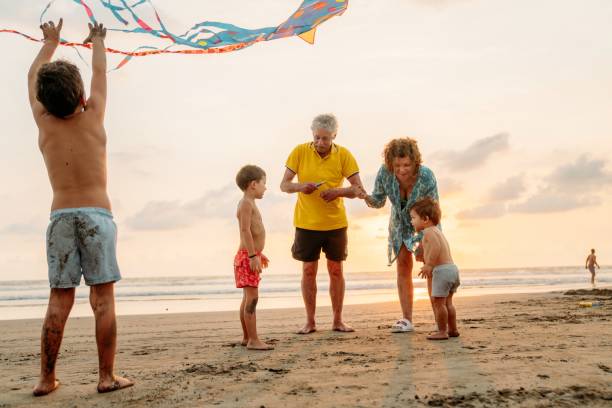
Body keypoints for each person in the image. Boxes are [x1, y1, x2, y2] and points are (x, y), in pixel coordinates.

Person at [28, 20, 133, 395]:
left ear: (44, 101)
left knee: (60, 297)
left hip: (60, 217)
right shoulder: (94, 117)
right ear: (81, 98)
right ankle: (106, 377)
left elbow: (32, 76)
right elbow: (100, 71)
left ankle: (45, 379)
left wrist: (50, 43)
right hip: (97, 217)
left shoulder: (44, 124)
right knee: (102, 299)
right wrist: (99, 40)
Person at [280, 114, 365, 334]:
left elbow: (358, 190)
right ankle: (310, 322)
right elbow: (284, 185)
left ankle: (338, 321)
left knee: (336, 271)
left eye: (325, 139)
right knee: (308, 271)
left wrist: (339, 191)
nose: (320, 143)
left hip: (335, 224)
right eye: (317, 137)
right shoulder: (299, 151)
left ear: (334, 136)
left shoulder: (344, 155)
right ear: (312, 134)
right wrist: (301, 187)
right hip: (306, 223)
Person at [363, 138, 439, 333]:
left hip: (426, 222)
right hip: (399, 221)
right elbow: (378, 201)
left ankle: (440, 318)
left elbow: (434, 211)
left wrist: (424, 242)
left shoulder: (426, 176)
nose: (402, 170)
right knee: (403, 266)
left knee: (432, 267)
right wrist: (363, 196)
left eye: (406, 165)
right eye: (397, 165)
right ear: (390, 163)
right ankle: (407, 320)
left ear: (415, 162)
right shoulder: (384, 173)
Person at [234, 165, 274, 350]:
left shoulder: (250, 203)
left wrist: (258, 253)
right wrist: (251, 255)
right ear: (253, 184)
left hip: (250, 254)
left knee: (247, 298)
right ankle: (253, 340)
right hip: (246, 257)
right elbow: (245, 230)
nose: (265, 187)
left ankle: (246, 337)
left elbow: (254, 232)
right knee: (252, 298)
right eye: (263, 183)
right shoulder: (245, 204)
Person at [410, 197, 460, 340]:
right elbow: (437, 247)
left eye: (413, 218)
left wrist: (429, 264)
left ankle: (442, 331)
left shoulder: (428, 232)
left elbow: (436, 248)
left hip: (442, 271)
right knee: (448, 303)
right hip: (452, 269)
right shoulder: (437, 231)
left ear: (425, 219)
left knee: (438, 304)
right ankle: (453, 329)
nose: (411, 221)